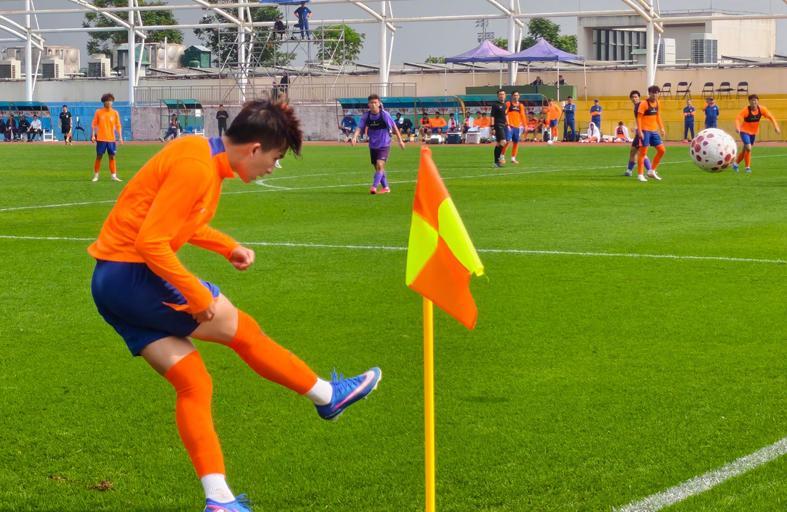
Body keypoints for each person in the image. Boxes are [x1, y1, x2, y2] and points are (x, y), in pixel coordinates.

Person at [88, 99, 382, 512]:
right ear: (254, 148)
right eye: (275, 158)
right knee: (246, 333)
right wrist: (195, 295)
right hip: (133, 276)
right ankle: (326, 395)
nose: (273, 168)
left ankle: (219, 498)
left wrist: (227, 247)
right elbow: (151, 241)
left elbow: (179, 221)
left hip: (110, 284)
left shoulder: (201, 157)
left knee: (194, 383)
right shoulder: (196, 167)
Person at [352, 94, 405, 195]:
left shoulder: (384, 115)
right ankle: (386, 188)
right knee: (378, 168)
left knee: (380, 165)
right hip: (373, 145)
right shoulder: (366, 116)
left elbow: (394, 127)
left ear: (379, 103)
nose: (373, 104)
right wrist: (354, 137)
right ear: (368, 104)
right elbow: (359, 127)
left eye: (375, 102)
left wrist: (400, 141)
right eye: (371, 103)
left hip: (384, 144)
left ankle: (374, 187)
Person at [732, 94, 781, 174]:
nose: (754, 102)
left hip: (753, 133)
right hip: (744, 131)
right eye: (752, 101)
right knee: (748, 148)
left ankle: (735, 164)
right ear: (749, 102)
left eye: (755, 100)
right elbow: (738, 118)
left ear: (758, 101)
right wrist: (737, 127)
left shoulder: (761, 109)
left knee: (745, 150)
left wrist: (776, 127)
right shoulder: (746, 110)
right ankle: (747, 168)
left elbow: (771, 117)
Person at [635, 85, 666, 182]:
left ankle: (651, 171)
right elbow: (639, 118)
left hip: (654, 131)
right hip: (645, 131)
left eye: (656, 93)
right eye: (653, 93)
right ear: (649, 93)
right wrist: (640, 130)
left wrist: (661, 128)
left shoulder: (657, 103)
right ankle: (640, 174)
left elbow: (658, 116)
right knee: (643, 153)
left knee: (662, 150)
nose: (655, 95)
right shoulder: (644, 104)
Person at [91, 92, 123, 182]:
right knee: (99, 156)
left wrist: (120, 137)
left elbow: (118, 125)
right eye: (107, 101)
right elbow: (94, 124)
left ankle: (113, 175)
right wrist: (93, 135)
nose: (109, 102)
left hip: (111, 139)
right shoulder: (98, 112)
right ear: (104, 102)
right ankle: (96, 175)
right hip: (101, 139)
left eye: (111, 101)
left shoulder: (115, 113)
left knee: (112, 157)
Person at [624, 90, 653, 177]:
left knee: (642, 152)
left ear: (639, 97)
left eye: (636, 97)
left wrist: (640, 130)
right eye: (632, 97)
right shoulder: (636, 107)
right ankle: (629, 170)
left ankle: (650, 171)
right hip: (640, 131)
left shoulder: (640, 105)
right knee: (633, 151)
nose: (634, 98)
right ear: (630, 99)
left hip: (643, 131)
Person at [501, 91, 526, 164]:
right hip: (509, 126)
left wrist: (525, 125)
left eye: (517, 95)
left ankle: (513, 158)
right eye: (514, 95)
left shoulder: (520, 105)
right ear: (512, 96)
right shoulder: (508, 104)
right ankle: (502, 156)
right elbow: (505, 114)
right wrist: (507, 124)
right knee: (507, 141)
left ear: (519, 96)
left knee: (516, 142)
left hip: (517, 126)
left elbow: (523, 115)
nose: (516, 97)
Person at [491, 89, 508, 168]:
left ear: (505, 95)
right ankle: (499, 158)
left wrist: (507, 123)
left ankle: (496, 162)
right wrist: (492, 127)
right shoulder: (495, 105)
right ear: (498, 96)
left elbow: (505, 115)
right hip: (498, 125)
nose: (502, 96)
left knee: (498, 144)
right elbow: (492, 116)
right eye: (500, 94)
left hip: (503, 125)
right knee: (503, 142)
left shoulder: (505, 105)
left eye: (503, 94)